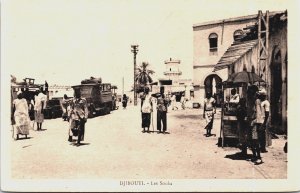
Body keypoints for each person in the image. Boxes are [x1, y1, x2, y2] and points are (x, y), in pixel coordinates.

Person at [258, 88, 270, 153]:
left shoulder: (266, 103)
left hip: (263, 120)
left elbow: (267, 113)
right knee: (260, 134)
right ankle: (260, 146)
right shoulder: (260, 102)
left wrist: (264, 122)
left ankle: (263, 148)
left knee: (263, 134)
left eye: (261, 95)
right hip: (260, 119)